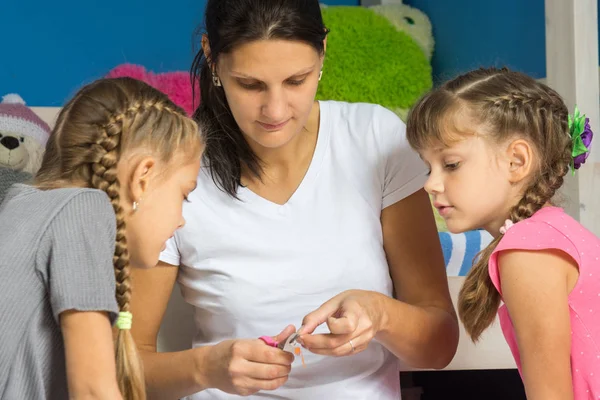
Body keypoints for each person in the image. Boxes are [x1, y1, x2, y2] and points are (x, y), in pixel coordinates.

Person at [129, 0, 459, 398]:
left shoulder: (375, 139)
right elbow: (124, 366)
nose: (276, 109)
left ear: (323, 52)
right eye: (250, 85)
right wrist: (204, 368)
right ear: (211, 59)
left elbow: (439, 348)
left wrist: (381, 314)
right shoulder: (175, 170)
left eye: (296, 80)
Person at [0, 77, 203, 400]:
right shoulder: (85, 208)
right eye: (184, 194)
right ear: (143, 177)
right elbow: (94, 391)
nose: (181, 220)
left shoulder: (21, 204)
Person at [406, 66, 600, 399]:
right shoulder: (550, 233)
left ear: (516, 160)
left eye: (450, 164)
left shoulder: (528, 251)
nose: (430, 184)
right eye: (428, 167)